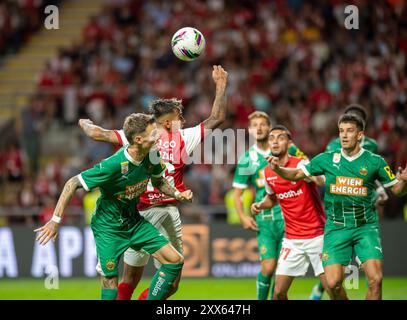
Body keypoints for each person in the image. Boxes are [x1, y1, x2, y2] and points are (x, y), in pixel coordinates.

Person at [78, 65, 228, 299]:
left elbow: (99, 134)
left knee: (128, 279)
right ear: (169, 123)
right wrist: (221, 86)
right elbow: (217, 118)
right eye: (179, 116)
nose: (183, 120)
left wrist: (84, 123)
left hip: (137, 214)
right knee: (172, 280)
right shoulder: (183, 137)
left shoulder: (137, 138)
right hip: (165, 212)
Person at [34, 113, 193, 300]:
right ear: (138, 139)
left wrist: (176, 194)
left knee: (175, 261)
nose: (158, 136)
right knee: (110, 280)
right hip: (108, 227)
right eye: (153, 134)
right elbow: (72, 183)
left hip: (134, 221)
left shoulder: (152, 154)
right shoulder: (113, 165)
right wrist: (55, 220)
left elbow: (159, 182)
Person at [268, 114, 407, 300]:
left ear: (359, 135)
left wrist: (404, 182)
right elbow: (296, 175)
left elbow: (397, 190)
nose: (344, 135)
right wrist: (278, 170)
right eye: (341, 131)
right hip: (336, 228)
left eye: (349, 131)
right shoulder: (326, 159)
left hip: (364, 227)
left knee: (376, 280)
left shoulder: (375, 161)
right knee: (333, 285)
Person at [232, 111, 307, 300]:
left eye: (263, 124)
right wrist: (243, 217)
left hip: (288, 217)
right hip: (265, 220)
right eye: (254, 125)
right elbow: (237, 194)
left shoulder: (288, 148)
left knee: (283, 270)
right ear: (249, 130)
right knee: (268, 267)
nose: (259, 128)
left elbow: (308, 167)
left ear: (269, 126)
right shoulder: (247, 159)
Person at [251, 125, 331, 300]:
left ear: (289, 143)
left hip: (316, 235)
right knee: (279, 292)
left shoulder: (301, 164)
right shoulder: (267, 172)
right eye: (271, 138)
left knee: (332, 287)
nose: (275, 141)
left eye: (280, 137)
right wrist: (260, 205)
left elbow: (317, 180)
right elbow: (272, 198)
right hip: (292, 239)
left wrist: (316, 178)